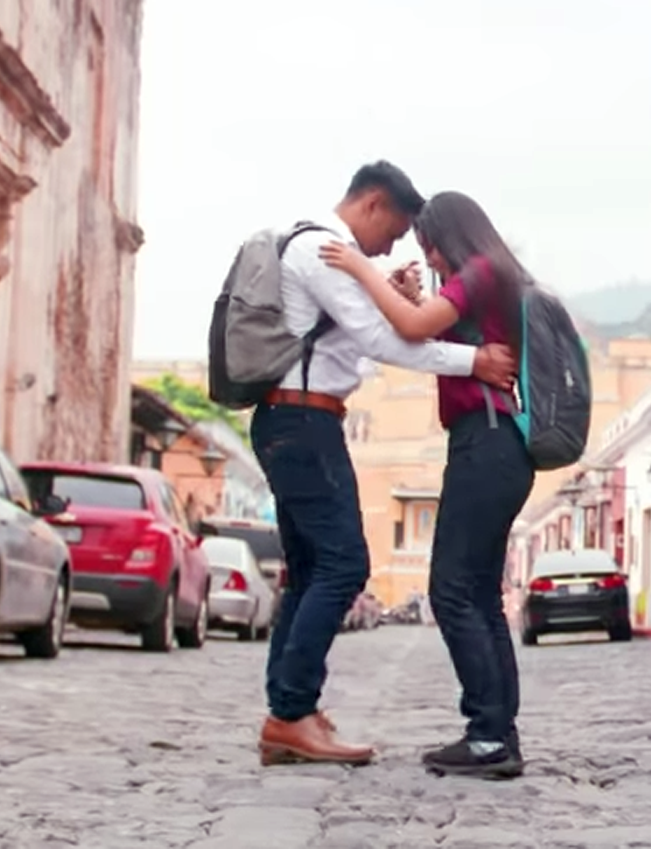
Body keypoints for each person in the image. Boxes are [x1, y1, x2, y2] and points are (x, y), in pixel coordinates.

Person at [253, 164, 517, 769]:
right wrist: (471, 360)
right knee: (345, 566)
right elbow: (381, 341)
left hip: (298, 418)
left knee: (310, 569)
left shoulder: (322, 249)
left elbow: (353, 344)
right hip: (302, 422)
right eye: (395, 233)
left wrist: (386, 290)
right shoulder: (327, 249)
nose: (392, 248)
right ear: (373, 204)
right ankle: (290, 713)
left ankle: (290, 712)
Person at [317, 191, 535, 779]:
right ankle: (497, 733)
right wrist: (412, 298)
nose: (430, 258)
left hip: (484, 442)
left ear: (450, 236)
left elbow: (414, 327)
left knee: (452, 592)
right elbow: (424, 335)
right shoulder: (490, 276)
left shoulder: (482, 270)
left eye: (430, 246)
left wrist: (361, 266)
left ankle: (489, 734)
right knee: (481, 597)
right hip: (492, 444)